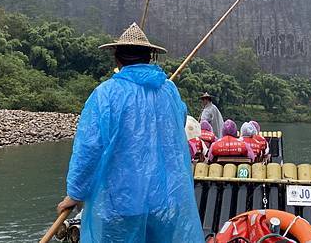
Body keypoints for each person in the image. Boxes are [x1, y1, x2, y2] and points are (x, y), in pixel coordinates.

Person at [56, 23, 204, 242]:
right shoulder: (169, 91)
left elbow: (89, 149)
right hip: (163, 199)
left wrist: (75, 194)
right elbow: (179, 120)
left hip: (122, 202)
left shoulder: (105, 94)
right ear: (149, 57)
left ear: (117, 58)